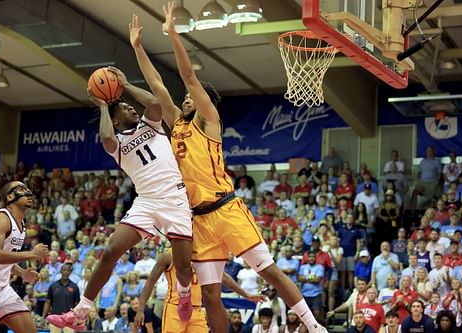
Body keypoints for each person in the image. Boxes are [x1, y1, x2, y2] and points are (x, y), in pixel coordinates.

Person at [129, 8, 326, 333]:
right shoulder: (177, 123)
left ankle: (313, 325)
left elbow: (188, 78)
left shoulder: (209, 121)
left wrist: (173, 35)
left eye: (191, 97)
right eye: (186, 99)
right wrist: (137, 48)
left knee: (269, 271)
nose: (186, 99)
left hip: (226, 209)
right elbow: (158, 87)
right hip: (198, 220)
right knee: (210, 296)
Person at [46, 68, 194, 329]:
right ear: (115, 120)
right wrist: (104, 106)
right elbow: (105, 137)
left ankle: (184, 293)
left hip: (175, 197)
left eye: (129, 106)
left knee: (183, 268)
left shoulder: (151, 124)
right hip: (146, 201)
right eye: (125, 108)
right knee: (112, 250)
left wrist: (124, 85)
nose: (131, 109)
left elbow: (154, 103)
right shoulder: (116, 143)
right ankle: (81, 311)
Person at [0, 181, 49, 333]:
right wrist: (31, 254)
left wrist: (22, 273)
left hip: (3, 289)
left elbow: (7, 258)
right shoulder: (1, 219)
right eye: (22, 189)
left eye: (28, 189)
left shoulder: (21, 225)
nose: (28, 192)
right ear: (10, 196)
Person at [134, 248, 264, 333]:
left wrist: (246, 295)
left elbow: (223, 277)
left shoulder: (202, 256)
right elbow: (150, 281)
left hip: (196, 309)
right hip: (174, 307)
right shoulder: (168, 256)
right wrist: (140, 309)